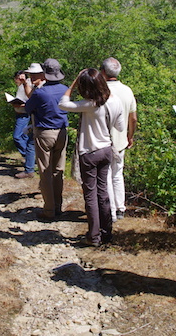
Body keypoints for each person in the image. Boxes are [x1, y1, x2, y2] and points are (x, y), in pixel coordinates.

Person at [59, 68, 124, 246]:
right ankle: (106, 233)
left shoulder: (89, 104)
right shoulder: (115, 101)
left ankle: (93, 236)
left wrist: (73, 83)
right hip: (106, 151)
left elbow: (63, 103)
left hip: (89, 152)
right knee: (103, 193)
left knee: (91, 195)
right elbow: (119, 126)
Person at [24, 59, 69, 220]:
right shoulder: (65, 89)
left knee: (45, 171)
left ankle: (49, 210)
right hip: (62, 132)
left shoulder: (40, 92)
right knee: (58, 170)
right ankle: (58, 206)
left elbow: (28, 108)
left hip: (44, 133)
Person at [100, 57, 137, 222]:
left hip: (102, 140)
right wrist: (130, 135)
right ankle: (120, 208)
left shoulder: (99, 90)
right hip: (120, 140)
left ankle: (111, 211)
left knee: (106, 174)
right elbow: (133, 117)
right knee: (118, 174)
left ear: (102, 72)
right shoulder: (127, 90)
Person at [12, 69, 36, 179]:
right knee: (22, 137)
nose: (17, 80)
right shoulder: (21, 86)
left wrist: (20, 106)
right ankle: (30, 159)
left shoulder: (28, 84)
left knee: (17, 136)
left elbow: (31, 101)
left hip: (24, 115)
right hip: (20, 114)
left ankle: (29, 158)